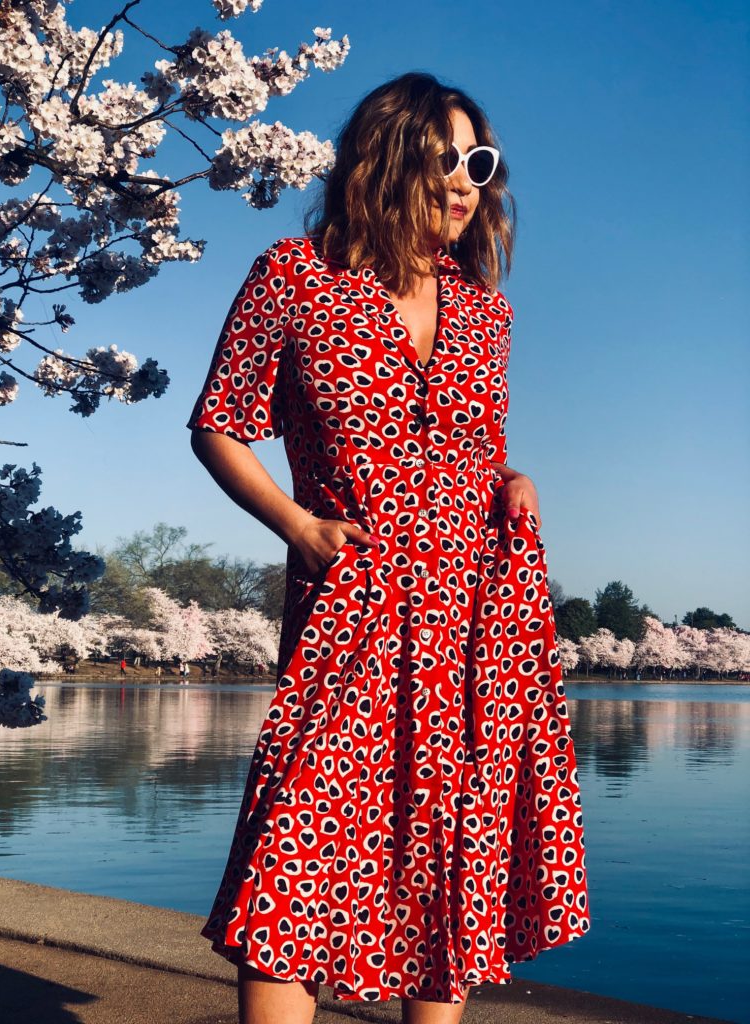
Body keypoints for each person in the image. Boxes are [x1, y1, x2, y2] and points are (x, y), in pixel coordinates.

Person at [187, 72, 590, 1024]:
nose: (467, 183)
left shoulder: (485, 315)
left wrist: (510, 482)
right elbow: (217, 426)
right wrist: (298, 526)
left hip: (473, 621)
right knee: (294, 863)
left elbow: (473, 451)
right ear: (389, 156)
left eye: (480, 164)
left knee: (447, 866)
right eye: (447, 159)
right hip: (351, 608)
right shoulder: (293, 279)